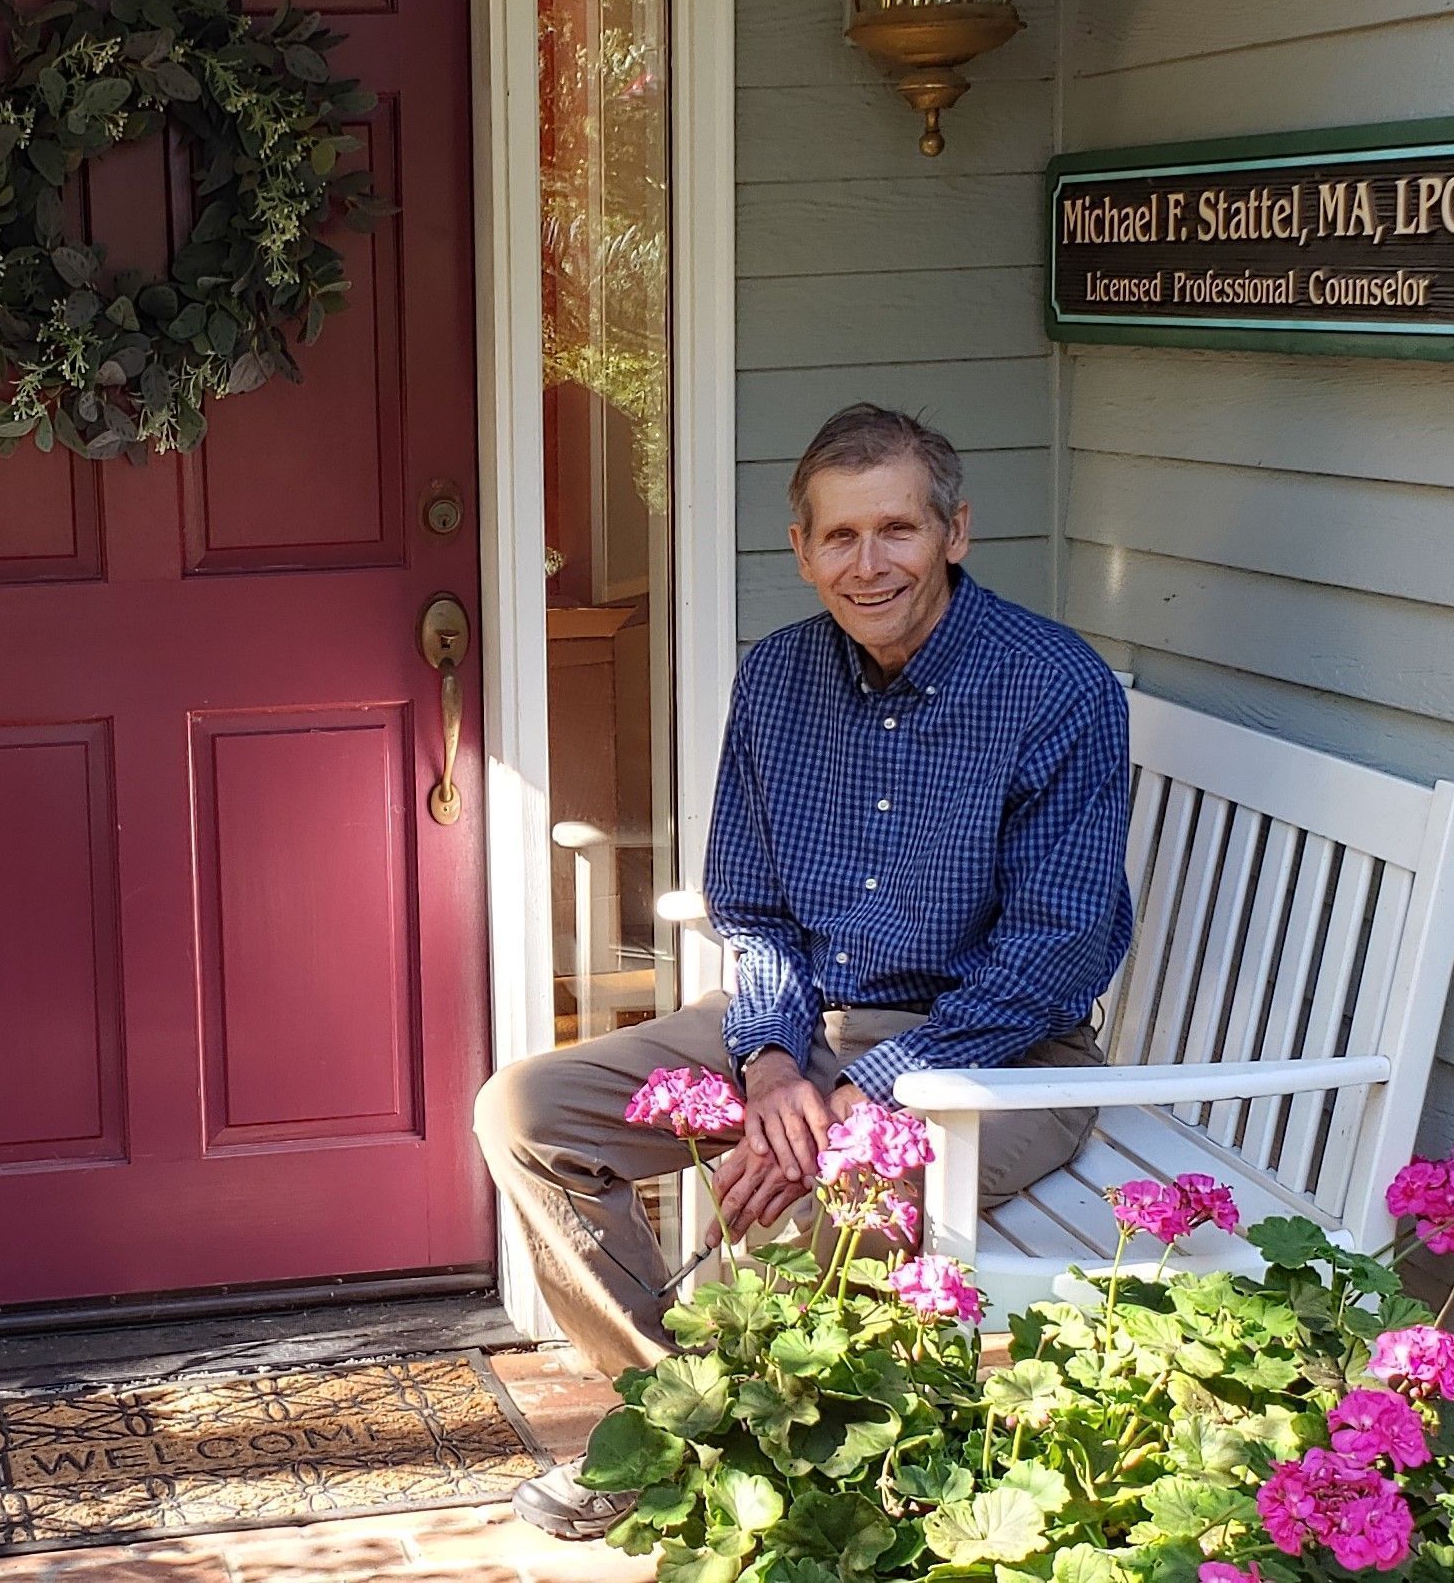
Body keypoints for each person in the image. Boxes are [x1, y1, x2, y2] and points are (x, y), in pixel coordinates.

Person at [475, 402, 1133, 1539]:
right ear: (801, 547)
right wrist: (774, 1062)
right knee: (528, 1110)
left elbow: (1055, 951)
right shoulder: (777, 679)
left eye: (897, 531)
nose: (867, 565)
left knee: (848, 1192)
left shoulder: (1054, 688)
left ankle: (697, 1451)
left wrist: (854, 1098)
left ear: (955, 532)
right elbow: (753, 908)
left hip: (998, 1053)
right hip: (810, 1025)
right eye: (839, 536)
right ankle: (674, 1402)